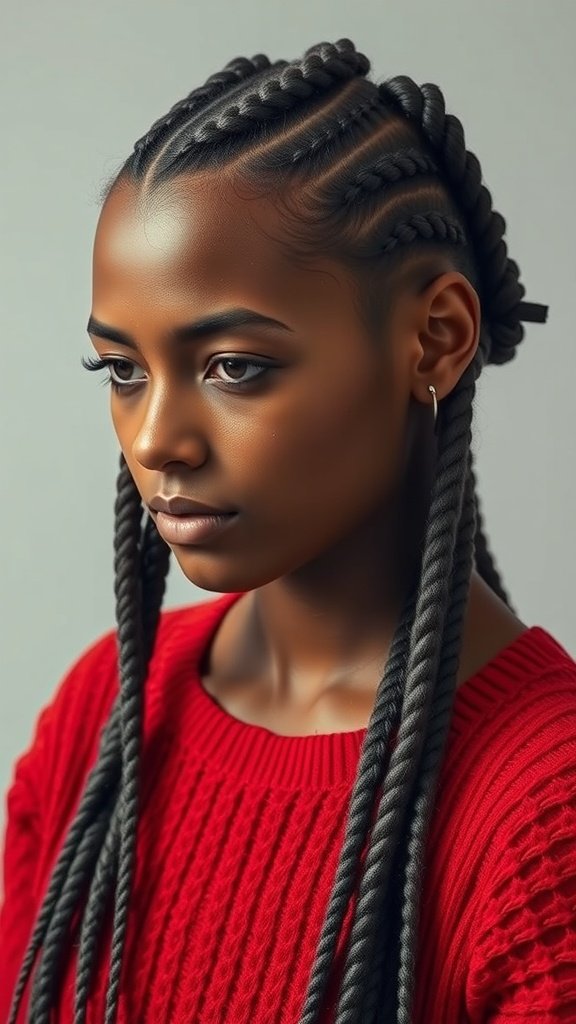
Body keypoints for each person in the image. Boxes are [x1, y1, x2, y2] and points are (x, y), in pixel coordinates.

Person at [1, 36, 574, 1024]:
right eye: (123, 370)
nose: (154, 439)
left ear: (435, 339)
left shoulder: (545, 811)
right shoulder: (110, 712)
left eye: (233, 366)